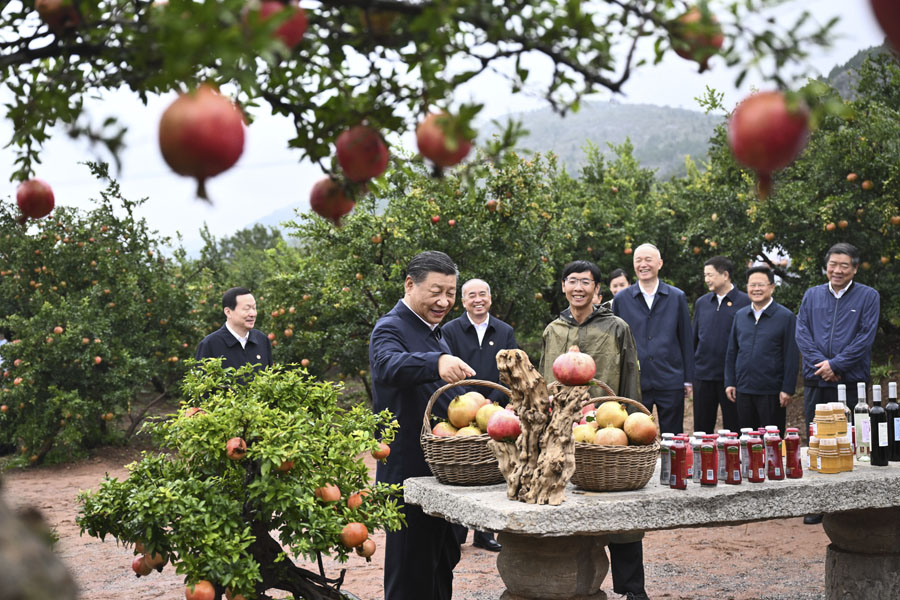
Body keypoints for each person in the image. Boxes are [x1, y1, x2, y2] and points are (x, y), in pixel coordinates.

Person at [369, 251, 475, 600]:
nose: (444, 301)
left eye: (450, 292)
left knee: (442, 559)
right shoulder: (390, 327)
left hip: (438, 468)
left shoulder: (435, 332)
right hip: (407, 470)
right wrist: (437, 360)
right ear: (410, 285)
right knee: (410, 569)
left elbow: (436, 395)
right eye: (435, 291)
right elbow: (389, 365)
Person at [540, 260, 647, 600]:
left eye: (585, 282)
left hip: (607, 432)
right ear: (563, 287)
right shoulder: (553, 330)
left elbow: (630, 377)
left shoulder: (616, 327)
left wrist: (632, 424)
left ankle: (632, 589)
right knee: (564, 507)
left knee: (621, 512)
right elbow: (543, 384)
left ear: (597, 290)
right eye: (572, 281)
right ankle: (571, 587)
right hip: (562, 432)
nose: (578, 288)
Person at [795, 243, 879, 525]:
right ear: (826, 266)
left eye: (844, 265)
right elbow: (802, 333)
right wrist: (824, 366)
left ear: (854, 268)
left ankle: (852, 503)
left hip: (851, 381)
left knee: (851, 439)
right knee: (817, 438)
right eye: (833, 264)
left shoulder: (868, 296)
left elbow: (865, 338)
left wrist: (838, 365)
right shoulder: (812, 295)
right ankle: (818, 502)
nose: (837, 270)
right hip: (817, 378)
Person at [442, 278, 517, 553]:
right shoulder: (450, 331)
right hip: (460, 409)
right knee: (463, 468)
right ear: (463, 302)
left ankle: (485, 532)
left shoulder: (504, 330)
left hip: (494, 409)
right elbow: (447, 371)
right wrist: (469, 402)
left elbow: (512, 371)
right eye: (471, 295)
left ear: (490, 298)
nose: (477, 299)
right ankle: (458, 530)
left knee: (490, 468)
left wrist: (492, 401)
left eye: (482, 294)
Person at [612, 243, 694, 436]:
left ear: (660, 263)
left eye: (648, 260)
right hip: (635, 380)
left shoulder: (676, 297)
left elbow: (686, 339)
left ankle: (671, 467)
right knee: (634, 433)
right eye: (638, 260)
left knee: (672, 435)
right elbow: (615, 343)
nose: (643, 265)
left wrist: (688, 379)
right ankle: (639, 468)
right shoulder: (622, 299)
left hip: (670, 376)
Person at [724, 266, 799, 434]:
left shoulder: (785, 317)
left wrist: (787, 388)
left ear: (772, 287)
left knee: (771, 442)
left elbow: (791, 356)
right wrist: (730, 381)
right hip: (743, 389)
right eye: (752, 285)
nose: (756, 289)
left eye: (761, 285)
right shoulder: (740, 316)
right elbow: (732, 352)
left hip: (771, 391)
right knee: (746, 441)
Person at [692, 256, 750, 433]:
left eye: (710, 275)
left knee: (734, 428)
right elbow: (694, 339)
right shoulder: (702, 303)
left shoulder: (745, 302)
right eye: (705, 275)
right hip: (703, 375)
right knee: (702, 429)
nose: (707, 279)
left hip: (731, 378)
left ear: (725, 275)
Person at [195, 287, 272, 371]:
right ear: (228, 312)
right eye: (246, 309)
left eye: (254, 308)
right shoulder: (210, 344)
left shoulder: (262, 340)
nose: (253, 314)